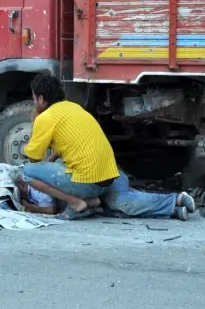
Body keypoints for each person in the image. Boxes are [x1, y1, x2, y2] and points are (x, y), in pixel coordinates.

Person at [21, 73, 195, 220]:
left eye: (34, 98)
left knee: (26, 173)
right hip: (109, 173)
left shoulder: (45, 118)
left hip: (90, 180)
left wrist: (34, 120)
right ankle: (176, 203)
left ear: (41, 99)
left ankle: (76, 203)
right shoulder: (73, 108)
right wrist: (52, 160)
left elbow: (33, 159)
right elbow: (66, 148)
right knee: (121, 203)